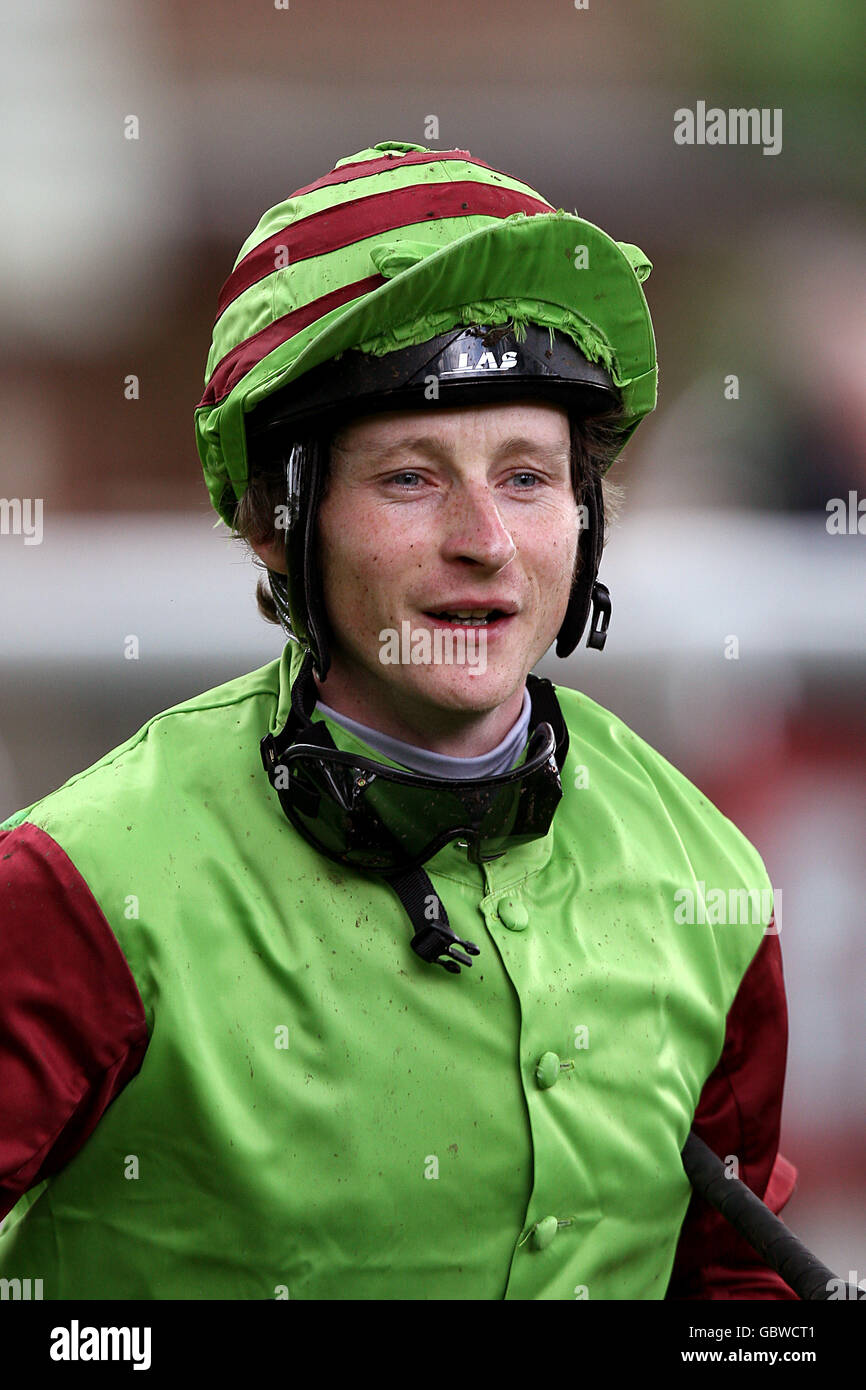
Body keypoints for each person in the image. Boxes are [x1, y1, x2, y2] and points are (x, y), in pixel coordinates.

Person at [0, 140, 797, 1300]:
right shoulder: (78, 886)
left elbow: (737, 1299)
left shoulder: (708, 877)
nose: (483, 539)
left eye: (526, 477)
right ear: (279, 527)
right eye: (412, 478)